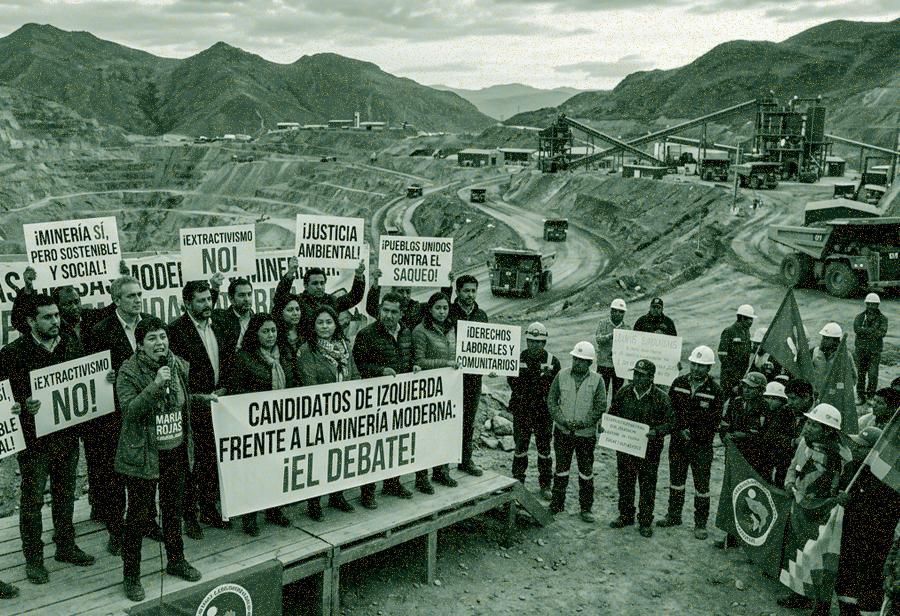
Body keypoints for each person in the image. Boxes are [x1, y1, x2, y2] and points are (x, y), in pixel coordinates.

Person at [0, 294, 98, 584]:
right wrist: (20, 406)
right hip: (34, 442)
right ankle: (34, 558)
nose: (56, 321)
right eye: (48, 317)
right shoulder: (12, 354)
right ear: (31, 321)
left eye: (57, 315)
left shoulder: (71, 344)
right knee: (31, 501)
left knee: (65, 494)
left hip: (67, 435)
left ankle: (65, 545)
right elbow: (5, 400)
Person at [115, 317, 203, 602]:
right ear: (140, 344)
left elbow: (182, 401)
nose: (160, 343)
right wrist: (155, 384)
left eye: (163, 337)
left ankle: (176, 560)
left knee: (173, 509)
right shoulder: (128, 371)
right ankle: (131, 577)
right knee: (139, 518)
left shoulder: (176, 365)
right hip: (143, 455)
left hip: (174, 450)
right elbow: (130, 412)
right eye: (152, 338)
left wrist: (203, 398)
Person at [86, 275, 156, 555]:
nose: (137, 299)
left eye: (139, 294)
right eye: (131, 296)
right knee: (115, 475)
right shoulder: (100, 331)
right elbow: (90, 372)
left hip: (146, 411)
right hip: (114, 415)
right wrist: (105, 376)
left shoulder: (150, 324)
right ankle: (117, 531)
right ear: (116, 300)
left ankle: (148, 521)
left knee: (148, 467)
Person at [168, 280, 229, 538]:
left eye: (209, 299)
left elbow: (227, 360)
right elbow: (175, 375)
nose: (208, 304)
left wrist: (224, 387)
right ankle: (189, 516)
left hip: (219, 403)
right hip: (191, 407)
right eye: (201, 300)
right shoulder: (175, 331)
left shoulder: (220, 325)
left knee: (212, 460)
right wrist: (198, 397)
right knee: (189, 463)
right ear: (187, 303)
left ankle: (209, 507)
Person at [226, 313, 297, 535]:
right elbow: (236, 391)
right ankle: (250, 516)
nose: (270, 335)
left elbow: (293, 383)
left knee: (277, 467)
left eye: (273, 331)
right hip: (254, 425)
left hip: (281, 421)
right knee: (254, 471)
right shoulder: (243, 358)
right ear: (255, 334)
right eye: (265, 331)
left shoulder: (283, 354)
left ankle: (274, 509)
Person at [777, 403, 851, 611]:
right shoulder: (806, 442)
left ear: (827, 430)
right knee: (798, 550)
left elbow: (844, 488)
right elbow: (794, 465)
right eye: (808, 422)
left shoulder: (842, 456)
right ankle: (799, 593)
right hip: (800, 504)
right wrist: (789, 482)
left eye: (814, 425)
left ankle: (822, 604)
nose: (807, 427)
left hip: (824, 512)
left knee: (821, 558)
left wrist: (838, 500)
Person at [352, 291, 415, 508]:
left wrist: (414, 367)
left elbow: (408, 359)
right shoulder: (366, 334)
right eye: (385, 310)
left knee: (396, 441)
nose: (388, 315)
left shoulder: (407, 333)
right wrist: (380, 371)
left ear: (401, 313)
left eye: (393, 311)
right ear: (379, 310)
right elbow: (359, 366)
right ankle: (367, 491)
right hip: (374, 400)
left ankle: (392, 483)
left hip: (400, 398)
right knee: (372, 446)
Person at [829, 426, 900, 616]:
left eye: (861, 446)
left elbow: (885, 515)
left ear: (874, 452)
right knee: (846, 579)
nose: (855, 448)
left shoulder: (889, 480)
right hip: (850, 536)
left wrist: (852, 503)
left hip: (873, 544)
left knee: (869, 583)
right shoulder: (854, 468)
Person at [298, 305, 359, 520]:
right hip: (320, 413)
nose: (325, 327)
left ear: (335, 324)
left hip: (345, 411)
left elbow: (354, 374)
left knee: (340, 454)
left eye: (329, 322)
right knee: (318, 457)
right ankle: (314, 502)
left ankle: (337, 495)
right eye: (320, 323)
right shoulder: (307, 350)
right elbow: (309, 383)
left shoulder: (344, 346)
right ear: (313, 326)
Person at [658, 346, 723, 540]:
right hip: (678, 442)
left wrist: (694, 433)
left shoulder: (715, 391)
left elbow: (714, 421)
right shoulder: (678, 383)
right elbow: (670, 411)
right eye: (694, 364)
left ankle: (700, 523)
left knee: (701, 486)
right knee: (676, 481)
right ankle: (674, 515)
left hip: (701, 446)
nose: (696, 369)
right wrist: (679, 429)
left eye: (701, 366)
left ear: (708, 368)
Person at [608, 359, 675, 537]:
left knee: (647, 484)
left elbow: (670, 423)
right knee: (625, 482)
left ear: (651, 378)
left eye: (641, 375)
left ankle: (645, 521)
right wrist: (607, 426)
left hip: (650, 450)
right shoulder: (624, 392)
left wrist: (656, 431)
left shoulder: (662, 397)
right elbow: (612, 413)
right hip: (625, 448)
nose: (637, 377)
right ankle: (625, 515)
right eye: (635, 373)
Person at [547, 341, 605, 522]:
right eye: (575, 359)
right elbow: (552, 401)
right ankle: (557, 504)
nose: (577, 363)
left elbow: (600, 406)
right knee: (561, 470)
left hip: (585, 435)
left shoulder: (598, 380)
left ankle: (586, 508)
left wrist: (583, 423)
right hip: (563, 433)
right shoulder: (561, 375)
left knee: (586, 472)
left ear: (590, 363)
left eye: (582, 360)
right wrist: (562, 420)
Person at [412, 292, 460, 493]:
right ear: (430, 309)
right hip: (427, 389)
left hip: (448, 389)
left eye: (445, 308)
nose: (442, 312)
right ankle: (421, 477)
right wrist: (446, 364)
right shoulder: (420, 331)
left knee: (444, 431)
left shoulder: (452, 329)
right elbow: (419, 361)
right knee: (425, 434)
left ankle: (441, 471)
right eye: (438, 308)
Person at [715, 371, 768, 549]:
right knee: (733, 492)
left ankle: (748, 535)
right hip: (734, 457)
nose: (746, 391)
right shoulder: (736, 403)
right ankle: (731, 533)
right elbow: (724, 424)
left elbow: (765, 437)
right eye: (745, 386)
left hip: (753, 460)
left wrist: (743, 436)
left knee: (750, 497)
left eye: (751, 388)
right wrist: (726, 437)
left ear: (760, 390)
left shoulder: (765, 408)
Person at [508, 322, 561, 499]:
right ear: (527, 340)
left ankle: (545, 485)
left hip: (543, 413)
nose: (534, 344)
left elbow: (556, 389)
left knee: (544, 449)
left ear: (544, 342)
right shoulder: (517, 359)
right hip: (522, 410)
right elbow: (512, 383)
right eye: (531, 340)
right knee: (520, 447)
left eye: (539, 341)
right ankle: (518, 482)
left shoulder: (553, 362)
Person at [447, 274, 488, 477]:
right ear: (457, 291)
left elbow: (486, 348)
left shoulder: (481, 315)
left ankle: (465, 459)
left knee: (468, 419)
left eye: (473, 291)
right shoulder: (449, 313)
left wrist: (491, 363)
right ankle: (443, 465)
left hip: (473, 377)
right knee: (447, 419)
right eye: (466, 291)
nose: (470, 295)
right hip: (451, 376)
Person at [274, 257, 366, 340]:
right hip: (308, 348)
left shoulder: (332, 300)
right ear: (305, 286)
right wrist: (290, 273)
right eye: (315, 283)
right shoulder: (298, 301)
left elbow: (354, 297)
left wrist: (358, 276)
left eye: (322, 283)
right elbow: (279, 299)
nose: (319, 287)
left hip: (331, 346)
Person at [365, 268, 453, 331]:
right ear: (392, 290)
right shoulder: (388, 310)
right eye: (400, 291)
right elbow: (371, 308)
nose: (405, 295)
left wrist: (447, 284)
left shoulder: (418, 308)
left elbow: (440, 303)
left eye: (408, 292)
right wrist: (376, 283)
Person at [211, 277, 255, 374]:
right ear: (231, 298)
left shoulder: (258, 320)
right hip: (232, 376)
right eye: (241, 295)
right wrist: (214, 289)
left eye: (249, 294)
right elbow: (205, 311)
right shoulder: (221, 319)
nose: (247, 299)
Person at [853, 293, 888, 405]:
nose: (871, 306)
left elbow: (881, 333)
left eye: (874, 304)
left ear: (877, 305)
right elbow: (857, 329)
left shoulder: (883, 319)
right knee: (861, 374)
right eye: (869, 304)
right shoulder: (859, 317)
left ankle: (871, 396)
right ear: (866, 304)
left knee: (873, 374)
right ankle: (860, 396)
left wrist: (865, 331)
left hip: (875, 351)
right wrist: (872, 330)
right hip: (861, 350)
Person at [759, 380, 794, 485]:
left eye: (774, 398)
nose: (769, 401)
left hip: (781, 458)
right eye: (767, 397)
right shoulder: (763, 413)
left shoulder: (786, 416)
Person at [717, 304, 755, 396]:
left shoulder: (746, 332)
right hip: (729, 377)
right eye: (749, 319)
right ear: (741, 318)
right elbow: (722, 355)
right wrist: (733, 376)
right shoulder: (729, 331)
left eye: (752, 319)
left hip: (743, 374)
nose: (751, 322)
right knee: (725, 399)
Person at [594, 298, 629, 396]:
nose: (618, 314)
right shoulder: (603, 323)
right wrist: (610, 336)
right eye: (615, 311)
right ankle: (600, 410)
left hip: (618, 365)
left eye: (621, 312)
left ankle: (614, 411)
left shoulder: (627, 328)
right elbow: (598, 339)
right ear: (611, 311)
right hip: (604, 364)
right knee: (601, 392)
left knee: (617, 393)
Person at [812, 322, 843, 394]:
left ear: (835, 340)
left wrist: (838, 390)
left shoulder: (844, 355)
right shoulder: (815, 352)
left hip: (834, 394)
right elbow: (809, 373)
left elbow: (852, 377)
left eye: (827, 338)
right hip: (818, 393)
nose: (823, 340)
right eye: (823, 337)